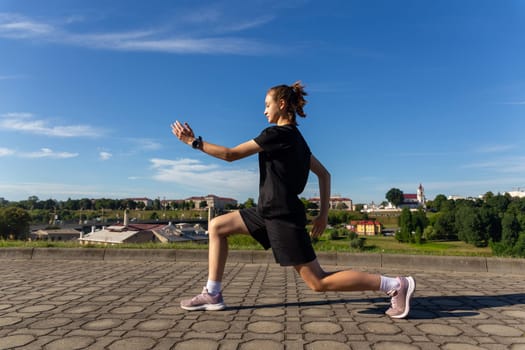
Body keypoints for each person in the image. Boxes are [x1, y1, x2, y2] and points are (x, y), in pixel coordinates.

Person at [171, 82, 415, 319]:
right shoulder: (297, 139)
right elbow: (324, 174)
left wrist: (193, 142)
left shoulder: (276, 134)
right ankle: (212, 294)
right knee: (217, 226)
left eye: (267, 105)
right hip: (266, 211)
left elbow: (230, 154)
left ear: (282, 103)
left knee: (317, 282)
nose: (264, 110)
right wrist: (323, 215)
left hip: (282, 216)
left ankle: (394, 284)